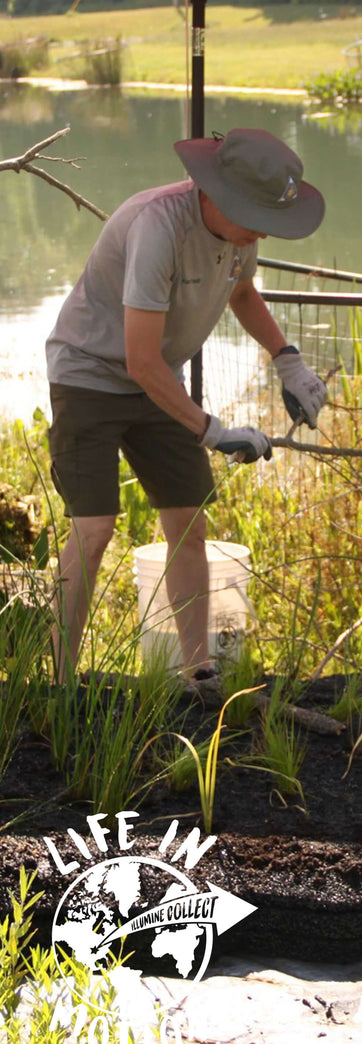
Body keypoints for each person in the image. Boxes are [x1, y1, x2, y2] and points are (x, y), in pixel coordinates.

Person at [46, 127, 328, 680]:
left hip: (158, 379)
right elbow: (139, 361)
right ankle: (58, 681)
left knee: (189, 520)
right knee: (95, 526)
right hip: (90, 374)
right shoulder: (158, 227)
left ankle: (198, 673)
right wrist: (214, 432)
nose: (261, 238)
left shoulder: (238, 238)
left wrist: (286, 357)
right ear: (219, 197)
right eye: (257, 220)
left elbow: (242, 292)